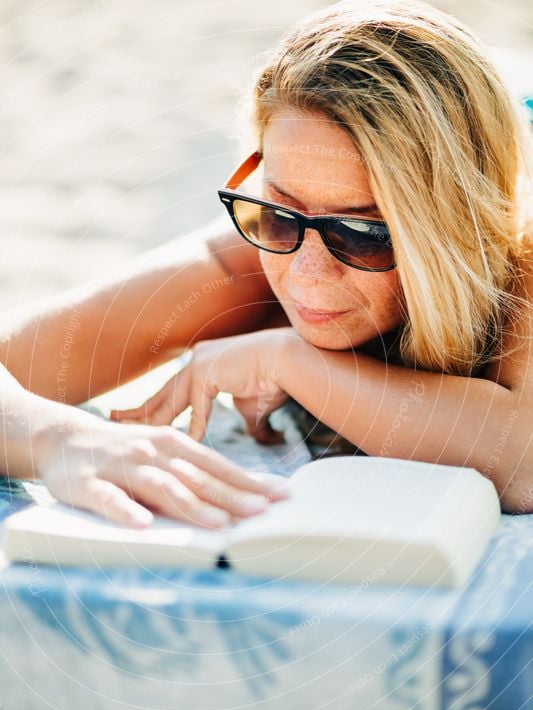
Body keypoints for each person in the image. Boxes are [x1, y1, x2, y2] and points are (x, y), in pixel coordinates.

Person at [1, 0, 532, 523]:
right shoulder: (262, 246)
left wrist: (290, 361)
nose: (306, 271)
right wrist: (58, 437)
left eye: (363, 232)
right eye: (279, 212)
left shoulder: (520, 260)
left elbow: (523, 462)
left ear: (460, 228)